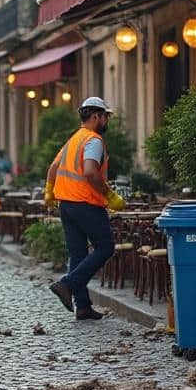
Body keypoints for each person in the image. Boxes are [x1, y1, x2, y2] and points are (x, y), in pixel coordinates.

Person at [45, 97, 127, 320]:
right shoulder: (93, 140)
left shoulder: (73, 139)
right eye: (105, 117)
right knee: (105, 247)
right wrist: (109, 195)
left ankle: (82, 306)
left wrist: (49, 192)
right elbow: (90, 172)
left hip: (67, 204)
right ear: (96, 116)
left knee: (78, 254)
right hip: (86, 203)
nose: (106, 122)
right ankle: (67, 284)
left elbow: (53, 167)